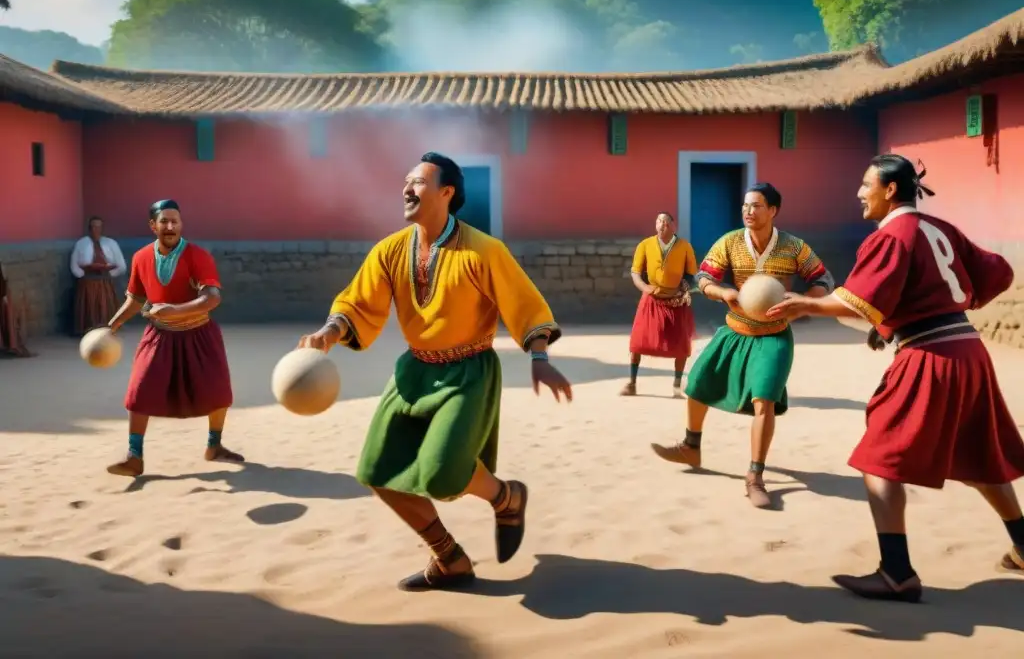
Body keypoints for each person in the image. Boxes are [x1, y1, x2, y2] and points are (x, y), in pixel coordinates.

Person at [298, 152, 572, 592]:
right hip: (413, 374)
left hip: (468, 372)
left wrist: (539, 358)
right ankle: (449, 559)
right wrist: (329, 333)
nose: (407, 188)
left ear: (447, 193)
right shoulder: (390, 250)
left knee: (443, 474)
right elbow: (357, 302)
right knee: (377, 472)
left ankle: (507, 497)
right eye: (405, 180)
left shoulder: (484, 250)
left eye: (418, 182)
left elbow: (523, 305)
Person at [765, 154, 1024, 601]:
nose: (860, 193)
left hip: (929, 358)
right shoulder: (939, 228)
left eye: (867, 185)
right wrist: (905, 318)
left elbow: (854, 301)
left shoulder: (890, 236)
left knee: (878, 458)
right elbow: (998, 272)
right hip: (968, 350)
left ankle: (897, 572)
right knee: (978, 454)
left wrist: (803, 303)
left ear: (890, 190)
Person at [650, 182, 834, 508]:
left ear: (773, 210)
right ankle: (691, 447)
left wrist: (805, 302)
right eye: (745, 206)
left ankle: (755, 476)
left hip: (774, 335)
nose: (748, 212)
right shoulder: (730, 242)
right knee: (697, 383)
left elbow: (823, 279)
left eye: (756, 206)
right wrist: (724, 293)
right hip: (735, 331)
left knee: (764, 400)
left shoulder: (793, 247)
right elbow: (704, 278)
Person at [105, 199, 242, 477]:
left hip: (200, 334)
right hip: (159, 335)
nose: (170, 226)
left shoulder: (198, 256)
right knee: (139, 391)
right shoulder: (141, 257)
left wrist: (174, 310)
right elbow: (136, 298)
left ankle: (214, 446)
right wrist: (113, 324)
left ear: (181, 224)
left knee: (217, 392)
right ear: (152, 226)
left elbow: (212, 298)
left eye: (175, 221)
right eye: (164, 221)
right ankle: (134, 456)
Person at [620, 212, 697, 398]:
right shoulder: (645, 245)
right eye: (658, 221)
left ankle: (677, 386)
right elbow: (635, 273)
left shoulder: (685, 247)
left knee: (681, 344)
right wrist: (645, 287)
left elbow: (691, 274)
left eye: (665, 221)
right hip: (651, 299)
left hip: (676, 300)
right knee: (637, 342)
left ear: (673, 226)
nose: (661, 224)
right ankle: (632, 383)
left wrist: (685, 288)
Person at [70, 216, 127, 336]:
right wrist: (81, 276)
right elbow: (74, 263)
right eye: (93, 227)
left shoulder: (111, 243)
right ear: (89, 228)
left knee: (105, 305)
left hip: (105, 281)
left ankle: (107, 329)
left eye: (98, 227)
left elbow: (121, 264)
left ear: (102, 228)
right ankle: (87, 329)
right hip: (88, 281)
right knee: (89, 306)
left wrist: (110, 274)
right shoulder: (81, 243)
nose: (96, 230)